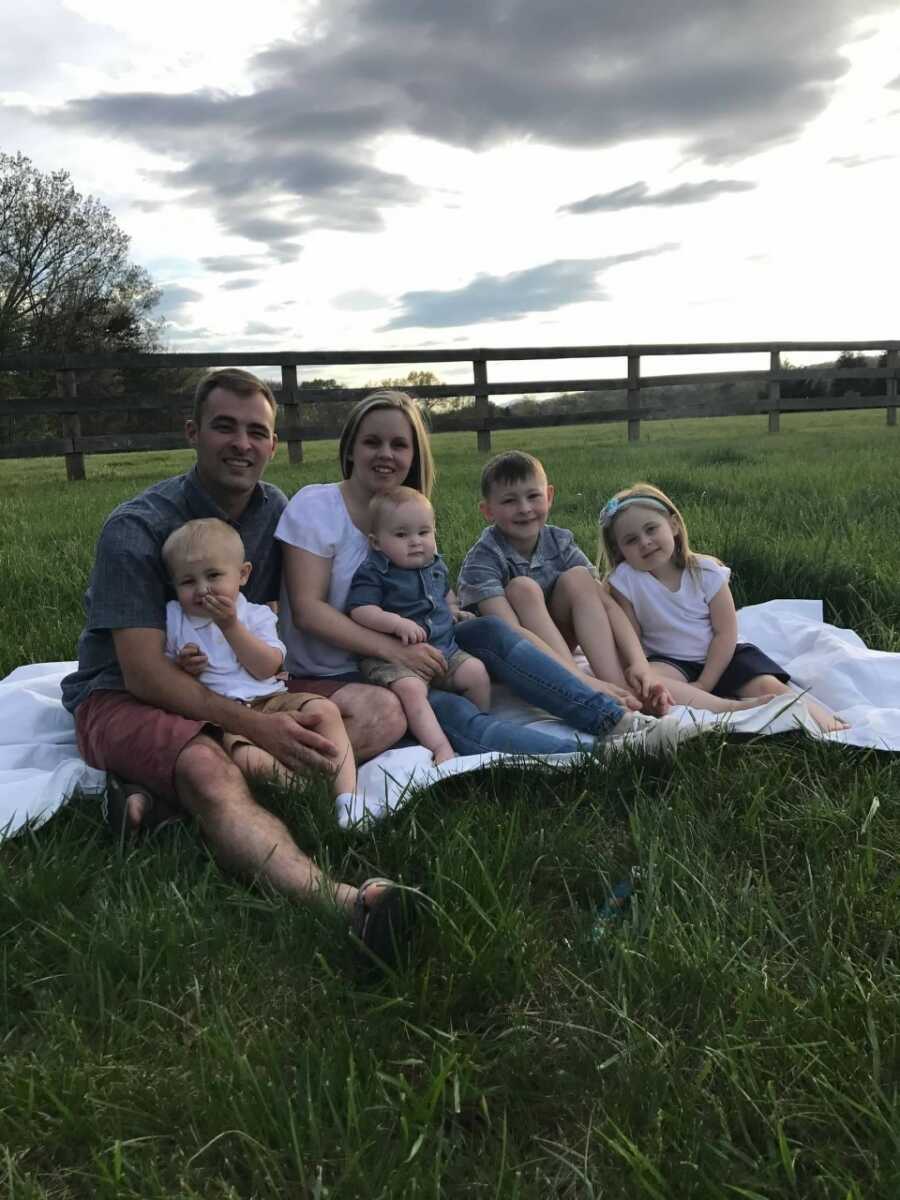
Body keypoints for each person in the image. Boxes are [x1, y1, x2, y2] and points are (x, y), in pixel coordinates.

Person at [61, 368, 411, 961]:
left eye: (257, 431)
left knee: (381, 710)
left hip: (244, 680)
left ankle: (159, 797)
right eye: (225, 427)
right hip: (123, 692)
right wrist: (252, 726)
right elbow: (144, 673)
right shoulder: (136, 528)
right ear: (193, 433)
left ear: (274, 444)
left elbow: (268, 623)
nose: (242, 444)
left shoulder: (274, 510)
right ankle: (349, 904)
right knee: (206, 767)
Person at [276, 391, 670, 756]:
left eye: (399, 444)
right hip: (350, 669)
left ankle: (616, 720)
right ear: (350, 448)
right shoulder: (318, 506)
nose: (386, 454)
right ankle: (594, 756)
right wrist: (395, 651)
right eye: (372, 442)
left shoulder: (409, 513)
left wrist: (448, 612)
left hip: (425, 644)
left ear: (414, 455)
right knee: (449, 712)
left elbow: (427, 586)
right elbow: (308, 612)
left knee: (490, 632)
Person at [599, 482, 850, 730]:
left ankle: (830, 725)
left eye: (651, 529)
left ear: (674, 525)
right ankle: (725, 706)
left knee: (768, 686)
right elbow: (632, 638)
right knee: (647, 681)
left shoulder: (706, 572)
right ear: (618, 549)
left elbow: (725, 632)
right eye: (631, 540)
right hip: (669, 660)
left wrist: (705, 682)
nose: (645, 542)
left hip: (722, 654)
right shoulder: (626, 581)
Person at [162, 517, 357, 806]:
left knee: (325, 710)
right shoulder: (175, 617)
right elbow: (166, 675)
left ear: (242, 574)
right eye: (188, 581)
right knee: (250, 760)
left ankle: (348, 797)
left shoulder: (255, 615)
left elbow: (267, 667)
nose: (202, 589)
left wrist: (230, 626)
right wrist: (183, 666)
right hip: (224, 714)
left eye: (214, 576)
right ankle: (310, 794)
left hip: (269, 698)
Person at [457, 450, 670, 714]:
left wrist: (639, 664)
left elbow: (604, 603)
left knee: (579, 578)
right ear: (488, 511)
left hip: (559, 645)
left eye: (533, 496)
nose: (524, 509)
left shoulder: (559, 541)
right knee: (522, 588)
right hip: (509, 658)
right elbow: (509, 633)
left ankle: (620, 688)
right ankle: (584, 687)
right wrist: (582, 678)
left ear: (549, 496)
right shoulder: (483, 558)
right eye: (510, 501)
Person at [347, 488, 491, 764]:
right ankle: (439, 746)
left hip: (443, 650)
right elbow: (360, 610)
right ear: (376, 542)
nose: (415, 542)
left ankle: (477, 722)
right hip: (394, 659)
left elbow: (444, 594)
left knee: (476, 672)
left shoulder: (435, 565)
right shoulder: (375, 571)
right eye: (401, 535)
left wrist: (453, 610)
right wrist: (395, 623)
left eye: (423, 533)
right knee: (412, 691)